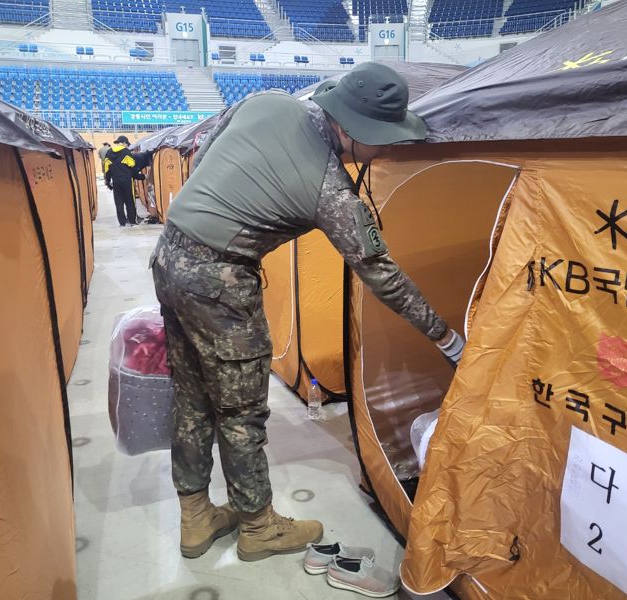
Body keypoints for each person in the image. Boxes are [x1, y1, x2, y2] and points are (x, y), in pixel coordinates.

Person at [150, 62, 466, 563]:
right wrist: (446, 339)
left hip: (170, 255)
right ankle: (257, 525)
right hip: (220, 283)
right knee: (240, 412)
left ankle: (195, 516)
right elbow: (379, 272)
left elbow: (207, 151)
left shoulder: (267, 100)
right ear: (351, 129)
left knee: (192, 396)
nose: (383, 150)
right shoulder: (329, 188)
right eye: (379, 140)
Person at [104, 135, 151, 227]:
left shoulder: (108, 152)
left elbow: (107, 170)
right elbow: (132, 168)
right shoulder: (126, 152)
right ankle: (132, 221)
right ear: (124, 143)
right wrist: (142, 177)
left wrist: (108, 182)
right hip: (127, 181)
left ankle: (122, 222)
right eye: (127, 144)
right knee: (130, 201)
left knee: (119, 202)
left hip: (116, 181)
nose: (127, 146)